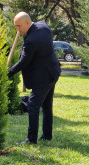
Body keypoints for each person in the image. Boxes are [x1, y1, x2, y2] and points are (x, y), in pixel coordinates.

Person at [8, 12, 61, 145]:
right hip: (53, 71)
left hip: (43, 77)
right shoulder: (43, 26)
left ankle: (31, 139)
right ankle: (47, 135)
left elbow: (23, 62)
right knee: (47, 106)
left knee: (33, 105)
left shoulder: (31, 41)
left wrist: (7, 73)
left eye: (18, 26)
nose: (17, 30)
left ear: (27, 23)